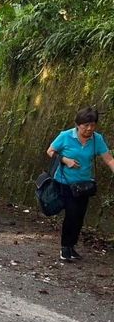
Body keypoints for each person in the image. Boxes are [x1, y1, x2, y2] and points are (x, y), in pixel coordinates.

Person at [47, 107, 114, 262]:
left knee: (79, 216)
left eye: (92, 125)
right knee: (71, 214)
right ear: (78, 125)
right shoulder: (65, 136)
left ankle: (71, 247)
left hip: (83, 185)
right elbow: (50, 151)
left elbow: (108, 159)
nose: (89, 129)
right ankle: (65, 248)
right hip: (64, 182)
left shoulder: (97, 139)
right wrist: (66, 160)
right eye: (86, 126)